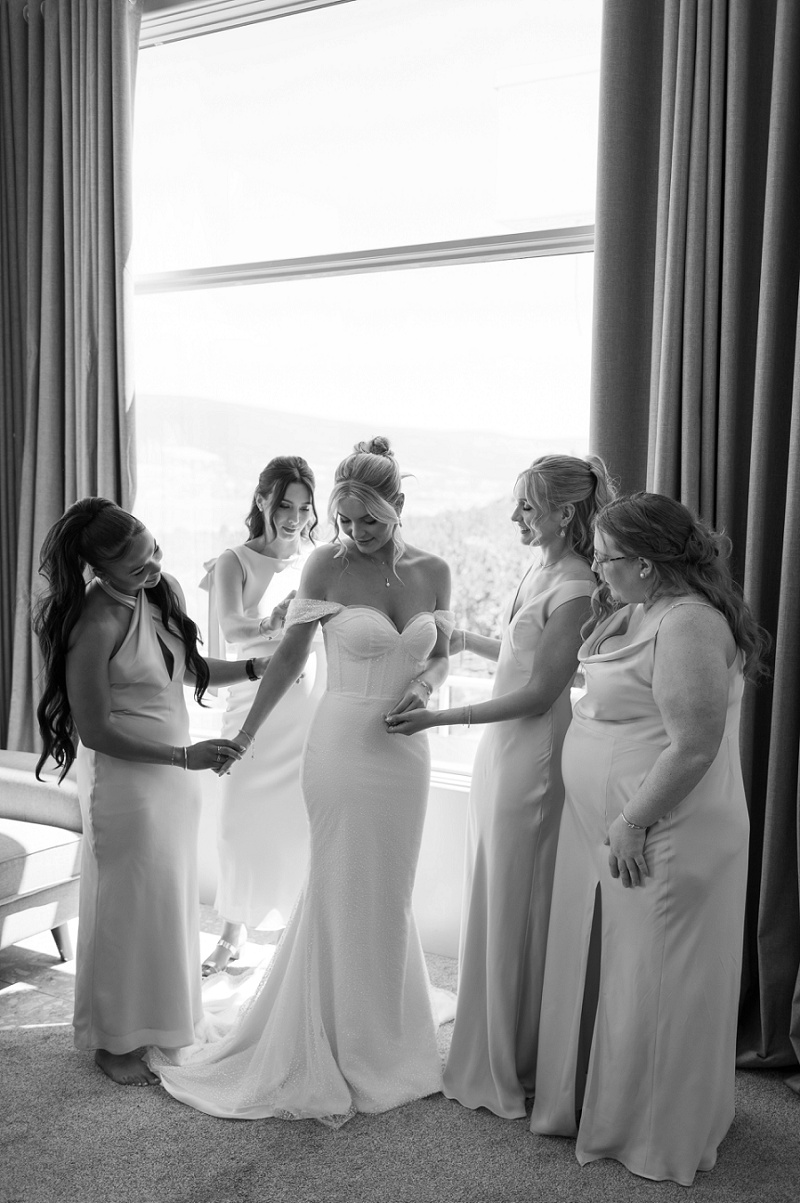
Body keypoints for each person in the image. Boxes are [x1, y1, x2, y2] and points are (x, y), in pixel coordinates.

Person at [149, 437, 454, 1124]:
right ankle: (335, 1039)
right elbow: (288, 656)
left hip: (406, 755)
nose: (355, 532)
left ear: (400, 506)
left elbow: (441, 655)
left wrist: (426, 689)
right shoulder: (326, 565)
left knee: (389, 889)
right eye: (344, 519)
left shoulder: (434, 570)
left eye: (370, 519)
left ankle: (387, 1033)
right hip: (340, 749)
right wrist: (246, 737)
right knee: (339, 885)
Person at [529, 492, 770, 1185]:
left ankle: (658, 1134)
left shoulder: (688, 622)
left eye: (606, 558)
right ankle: (625, 1107)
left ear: (645, 562)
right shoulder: (645, 608)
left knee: (661, 977)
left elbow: (693, 745)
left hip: (667, 828)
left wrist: (633, 820)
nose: (597, 569)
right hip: (632, 826)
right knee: (636, 973)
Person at [386, 454, 614, 1119]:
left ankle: (518, 1054)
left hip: (533, 755)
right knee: (497, 888)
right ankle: (494, 1039)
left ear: (564, 513)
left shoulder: (577, 584)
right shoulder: (540, 569)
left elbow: (540, 691)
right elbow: (521, 656)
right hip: (502, 752)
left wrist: (441, 717)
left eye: (526, 506)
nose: (514, 515)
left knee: (520, 898)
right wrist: (464, 640)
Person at [33, 498, 266, 1087]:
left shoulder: (158, 592)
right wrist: (184, 756)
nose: (154, 568)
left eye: (153, 551)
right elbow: (95, 730)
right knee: (126, 909)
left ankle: (164, 1020)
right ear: (98, 570)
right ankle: (114, 1040)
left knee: (165, 902)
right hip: (127, 784)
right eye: (137, 566)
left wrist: (255, 668)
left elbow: (185, 668)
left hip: (173, 778)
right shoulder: (92, 625)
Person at [200, 456, 326, 976]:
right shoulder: (236, 561)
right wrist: (277, 624)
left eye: (304, 508)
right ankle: (232, 933)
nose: (294, 518)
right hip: (250, 704)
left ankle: (295, 936)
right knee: (237, 825)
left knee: (299, 827)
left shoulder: (319, 560)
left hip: (306, 715)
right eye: (284, 506)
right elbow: (232, 628)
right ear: (261, 502)